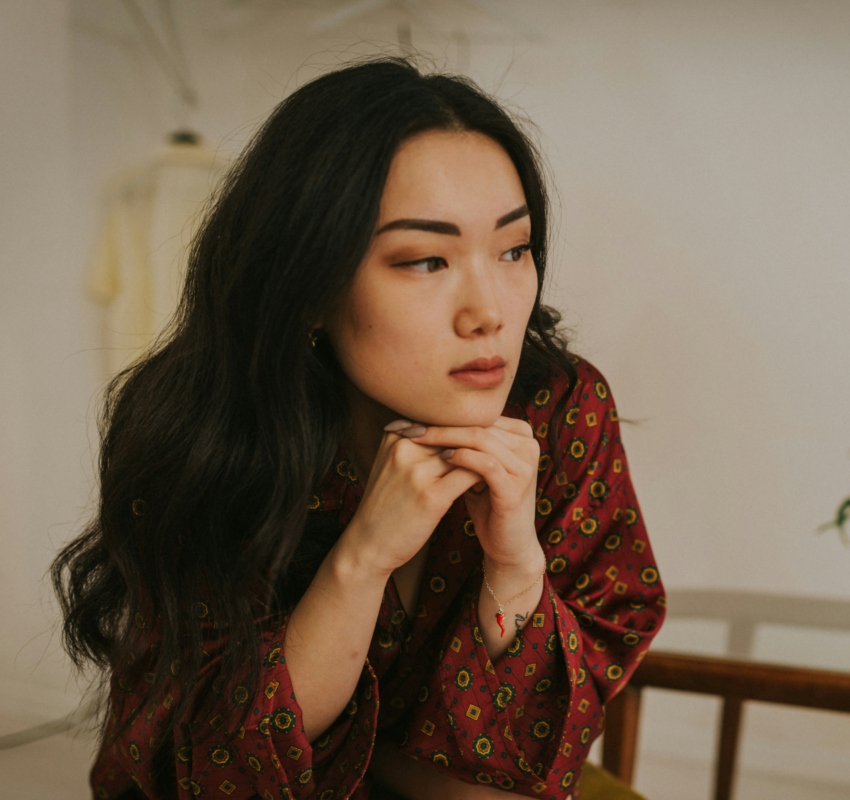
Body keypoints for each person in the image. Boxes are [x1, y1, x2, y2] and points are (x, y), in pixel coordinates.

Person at [53, 56, 664, 800]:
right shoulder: (201, 432)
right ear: (309, 284)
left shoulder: (561, 410)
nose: (492, 312)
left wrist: (516, 571)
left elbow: (530, 765)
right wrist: (364, 557)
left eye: (514, 249)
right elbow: (214, 770)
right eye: (425, 260)